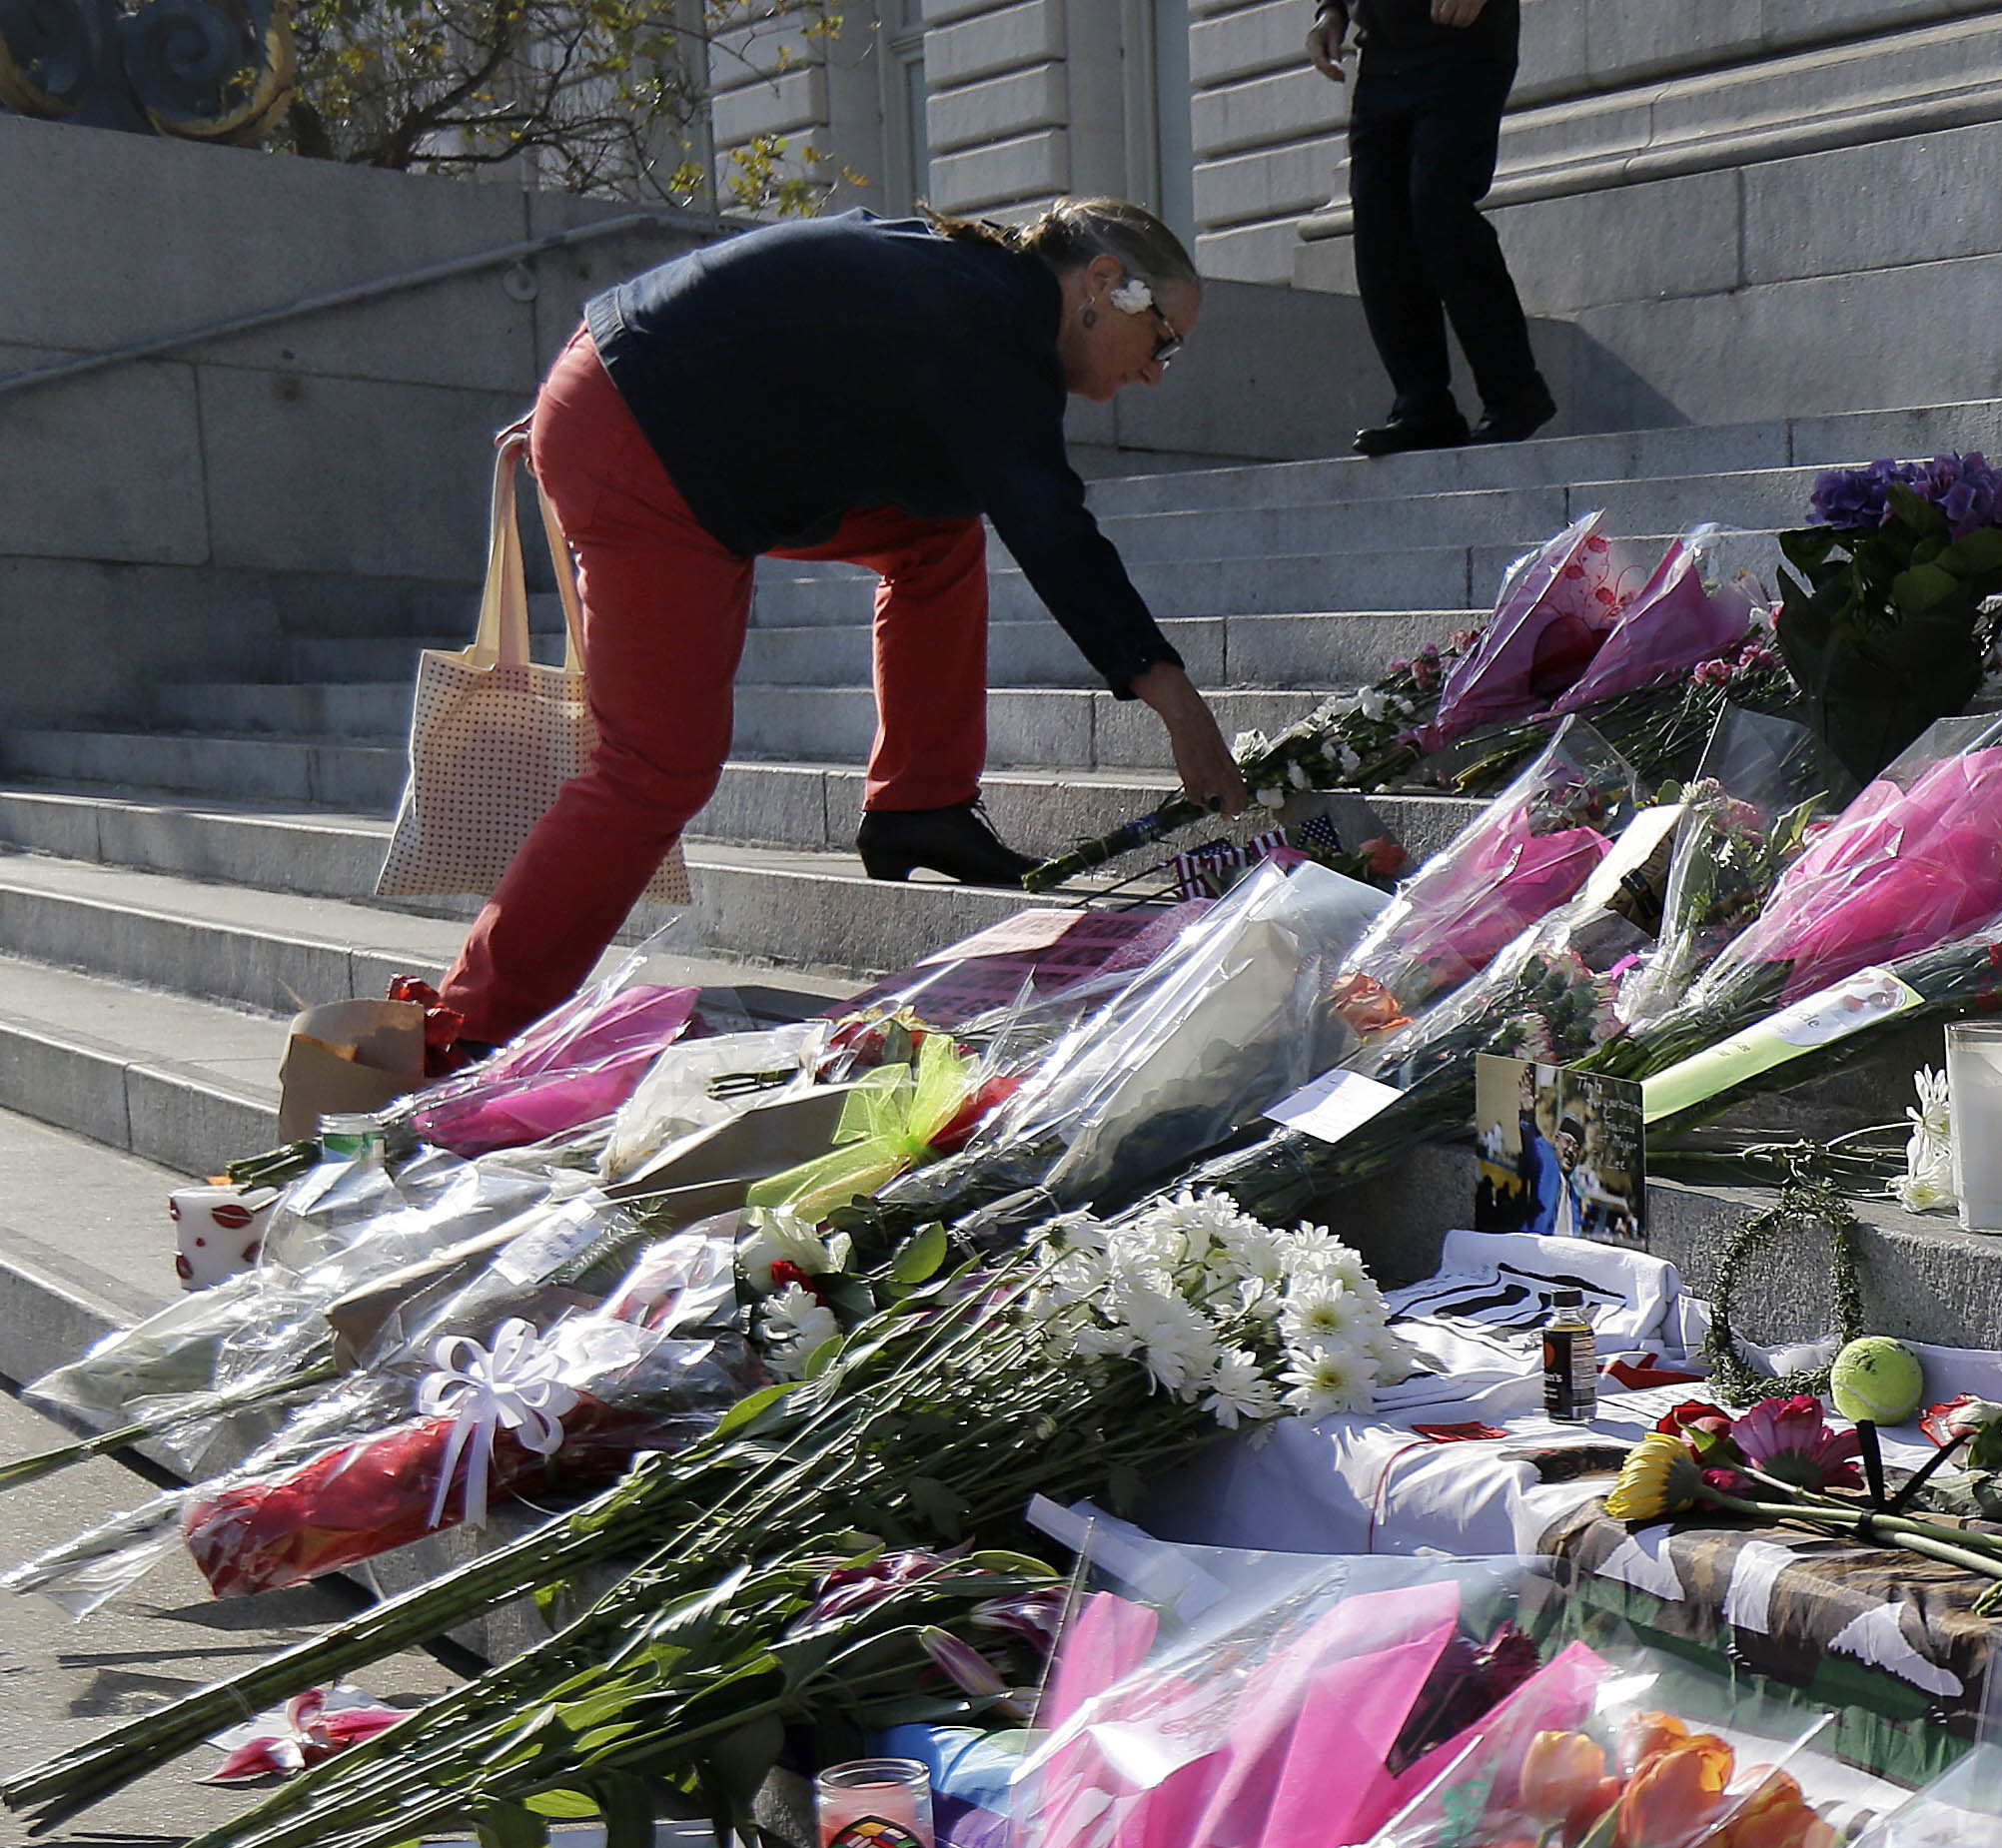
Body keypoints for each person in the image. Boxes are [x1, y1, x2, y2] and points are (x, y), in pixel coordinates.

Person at [424, 201, 1254, 1056]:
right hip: (647, 440)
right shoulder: (994, 323)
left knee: (937, 531)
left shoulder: (980, 285)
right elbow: (1050, 526)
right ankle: (464, 1030)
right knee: (656, 765)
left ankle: (920, 806)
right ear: (1102, 284)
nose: (1157, 371)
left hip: (652, 403)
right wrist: (1180, 707)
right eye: (1163, 339)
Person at [1309, 0, 1552, 458]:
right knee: (1381, 227)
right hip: (1381, 58)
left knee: (1437, 205)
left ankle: (1514, 391)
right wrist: (1332, 10)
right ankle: (1422, 407)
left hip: (1463, 46)